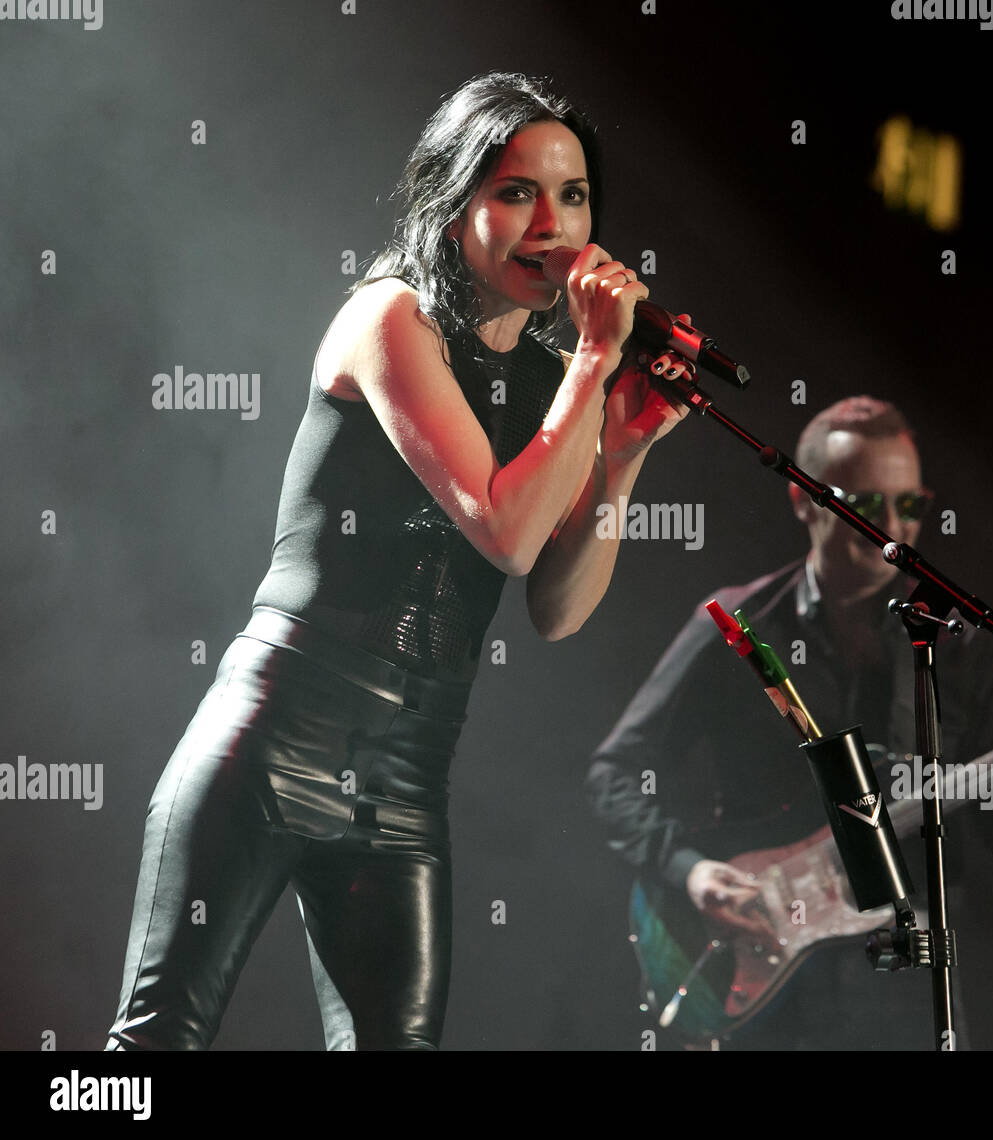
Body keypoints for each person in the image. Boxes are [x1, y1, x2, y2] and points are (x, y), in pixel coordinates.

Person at [106, 72, 697, 1050]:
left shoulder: (555, 379)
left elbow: (556, 605)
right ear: (456, 198)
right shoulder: (392, 320)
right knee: (156, 1043)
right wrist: (596, 362)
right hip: (274, 734)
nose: (550, 222)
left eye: (574, 196)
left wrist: (622, 457)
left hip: (405, 776)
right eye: (516, 192)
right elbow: (501, 530)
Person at [586, 395, 993, 1049]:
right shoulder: (736, 625)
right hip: (761, 984)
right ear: (804, 501)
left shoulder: (958, 647)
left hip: (906, 993)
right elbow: (616, 771)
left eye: (908, 506)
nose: (892, 528)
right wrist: (689, 869)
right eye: (863, 507)